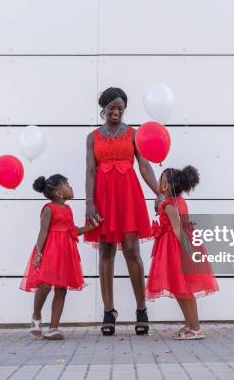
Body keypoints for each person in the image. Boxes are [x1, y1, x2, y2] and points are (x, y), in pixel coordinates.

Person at [84, 87, 163, 336]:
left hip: (128, 195)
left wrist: (159, 192)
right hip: (103, 198)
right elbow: (90, 171)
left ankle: (141, 309)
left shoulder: (133, 134)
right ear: (103, 109)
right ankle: (109, 312)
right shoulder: (92, 137)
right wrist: (89, 202)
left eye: (120, 108)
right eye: (111, 108)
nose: (116, 112)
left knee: (131, 250)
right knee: (106, 251)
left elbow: (144, 166)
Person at [20, 174, 98, 340]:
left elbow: (72, 231)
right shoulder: (48, 209)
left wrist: (89, 228)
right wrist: (39, 252)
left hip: (66, 252)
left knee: (62, 288)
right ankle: (36, 315)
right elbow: (43, 232)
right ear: (59, 193)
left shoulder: (68, 209)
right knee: (46, 285)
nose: (71, 187)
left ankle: (53, 328)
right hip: (50, 251)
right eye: (67, 185)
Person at [146, 166, 219, 340]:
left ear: (165, 186)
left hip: (176, 249)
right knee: (180, 289)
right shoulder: (177, 200)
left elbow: (178, 230)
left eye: (160, 179)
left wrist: (192, 254)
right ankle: (190, 324)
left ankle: (195, 328)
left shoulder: (171, 205)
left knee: (184, 290)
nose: (156, 182)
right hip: (175, 247)